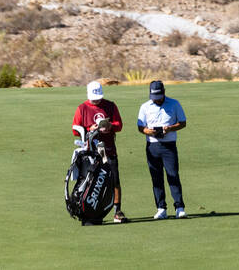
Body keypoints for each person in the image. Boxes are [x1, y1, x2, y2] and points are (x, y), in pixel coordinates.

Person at [72, 80, 127, 223]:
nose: (97, 100)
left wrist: (109, 127)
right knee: (90, 180)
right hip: (91, 151)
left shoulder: (110, 105)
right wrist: (90, 129)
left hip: (108, 149)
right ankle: (89, 209)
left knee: (114, 179)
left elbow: (119, 125)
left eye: (98, 97)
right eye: (94, 98)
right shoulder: (82, 108)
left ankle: (117, 211)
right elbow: (75, 129)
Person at [136, 80, 187, 219]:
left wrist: (170, 128)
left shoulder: (174, 104)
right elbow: (140, 127)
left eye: (159, 96)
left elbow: (183, 123)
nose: (157, 100)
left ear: (164, 92)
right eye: (154, 97)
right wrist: (148, 131)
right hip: (152, 146)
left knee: (173, 175)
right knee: (156, 178)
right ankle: (161, 208)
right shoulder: (145, 107)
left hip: (169, 145)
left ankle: (179, 207)